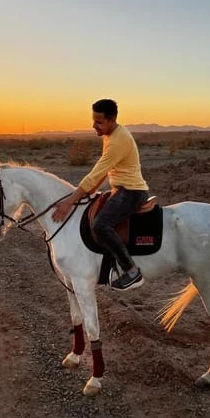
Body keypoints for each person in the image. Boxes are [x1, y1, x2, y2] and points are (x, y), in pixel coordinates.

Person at [52, 98, 149, 291]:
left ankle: (131, 271)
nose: (94, 125)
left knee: (101, 224)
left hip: (132, 191)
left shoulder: (117, 141)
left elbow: (96, 172)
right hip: (121, 188)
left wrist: (70, 201)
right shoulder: (111, 136)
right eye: (93, 120)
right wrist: (91, 192)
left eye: (99, 121)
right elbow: (103, 172)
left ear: (112, 119)